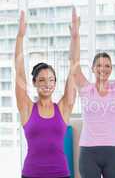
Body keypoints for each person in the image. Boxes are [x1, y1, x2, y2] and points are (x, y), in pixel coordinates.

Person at [69, 7, 115, 178]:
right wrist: (75, 36)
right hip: (88, 152)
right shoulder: (86, 89)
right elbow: (74, 62)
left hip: (113, 151)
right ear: (92, 68)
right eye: (99, 65)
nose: (103, 69)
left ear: (111, 69)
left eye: (107, 66)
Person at [15, 11, 76, 178]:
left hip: (60, 173)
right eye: (41, 80)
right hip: (31, 173)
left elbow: (73, 70)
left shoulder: (63, 108)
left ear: (55, 83)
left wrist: (75, 39)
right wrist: (20, 36)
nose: (47, 84)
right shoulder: (27, 108)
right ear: (34, 83)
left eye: (51, 80)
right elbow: (19, 73)